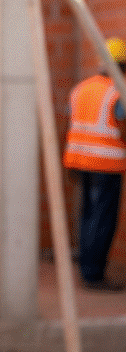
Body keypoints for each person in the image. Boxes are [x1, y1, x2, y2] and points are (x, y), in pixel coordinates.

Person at [63, 36, 126, 291]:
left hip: (79, 161)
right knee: (102, 220)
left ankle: (86, 266)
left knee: (87, 215)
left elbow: (69, 122)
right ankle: (93, 273)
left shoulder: (81, 88)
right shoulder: (118, 91)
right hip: (105, 164)